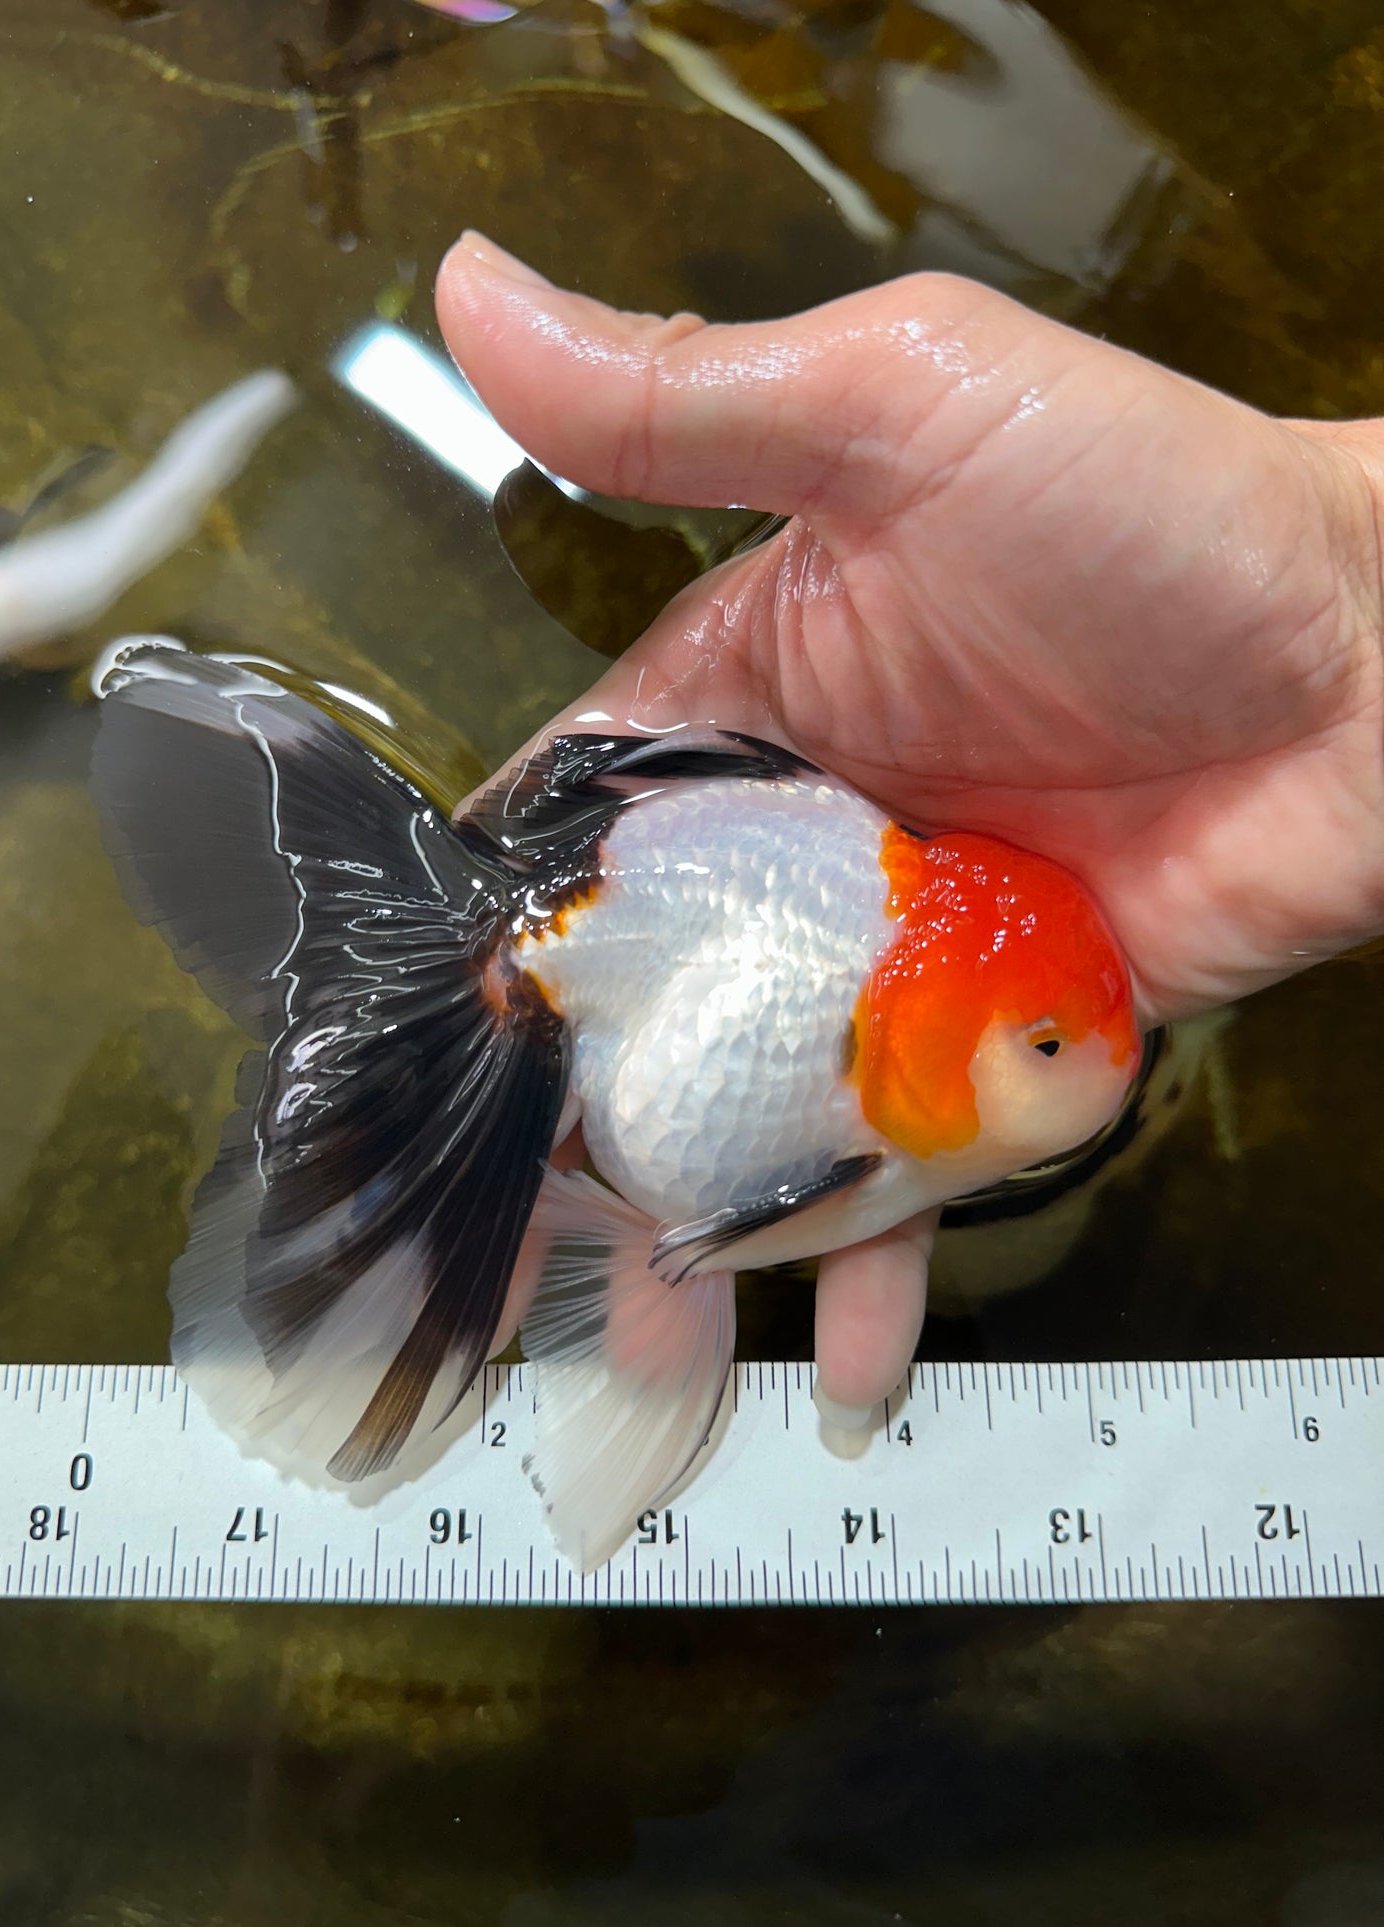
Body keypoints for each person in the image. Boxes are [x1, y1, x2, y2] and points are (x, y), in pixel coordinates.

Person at [435, 230, 1384, 1430]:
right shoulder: (868, 959)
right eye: (1044, 1046)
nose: (1108, 1062)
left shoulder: (899, 1030)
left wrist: (1356, 594)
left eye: (1052, 1045)